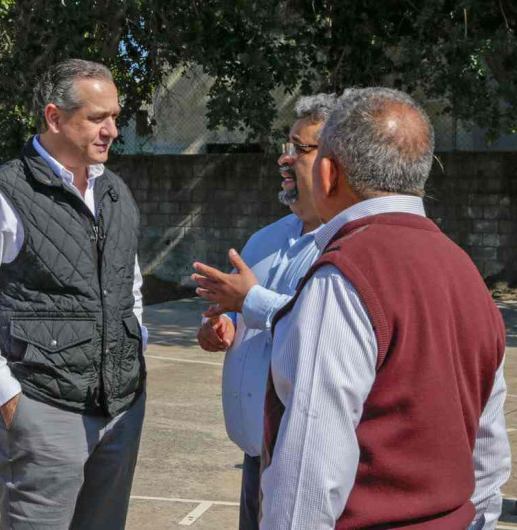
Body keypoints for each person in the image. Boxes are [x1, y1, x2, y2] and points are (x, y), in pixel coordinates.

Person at [256, 88, 509, 528]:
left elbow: (308, 477)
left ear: (329, 173)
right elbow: (487, 450)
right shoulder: (466, 271)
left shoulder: (345, 276)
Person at [0, 59, 147, 530]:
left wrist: (135, 351)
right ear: (54, 117)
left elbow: (128, 287)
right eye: (97, 118)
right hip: (42, 408)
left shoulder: (116, 193)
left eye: (115, 116)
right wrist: (8, 397)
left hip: (121, 409)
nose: (112, 130)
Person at [193, 94, 335, 529]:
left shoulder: (346, 247)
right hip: (255, 451)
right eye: (286, 144)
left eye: (301, 148)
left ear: (336, 163)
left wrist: (250, 300)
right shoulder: (264, 240)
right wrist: (218, 327)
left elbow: (322, 328)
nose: (285, 158)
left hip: (303, 460)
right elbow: (237, 321)